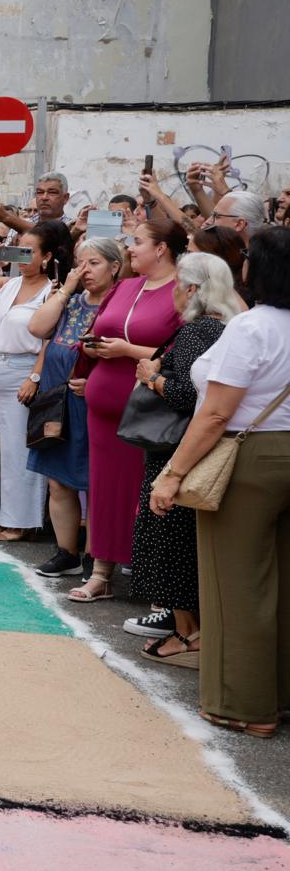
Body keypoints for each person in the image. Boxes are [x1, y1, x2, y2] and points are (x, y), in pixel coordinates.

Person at [149, 226, 290, 739]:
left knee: (236, 587)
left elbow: (214, 414)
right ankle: (276, 693)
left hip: (247, 457)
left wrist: (174, 474)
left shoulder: (252, 328)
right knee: (282, 582)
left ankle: (243, 705)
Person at [126, 253, 238, 667]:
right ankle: (190, 629)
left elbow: (190, 395)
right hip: (194, 445)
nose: (172, 292)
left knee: (168, 537)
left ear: (192, 289)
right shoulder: (227, 328)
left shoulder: (196, 332)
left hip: (176, 448)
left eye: (177, 285)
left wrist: (152, 377)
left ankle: (186, 632)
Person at [74, 215, 185, 603]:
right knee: (103, 489)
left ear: (161, 248)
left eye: (137, 241)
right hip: (103, 406)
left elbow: (182, 351)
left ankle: (155, 583)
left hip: (148, 411)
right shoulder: (125, 286)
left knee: (147, 489)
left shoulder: (182, 290)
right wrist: (92, 347)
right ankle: (101, 572)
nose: (129, 247)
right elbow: (104, 328)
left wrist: (125, 350)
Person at [27, 237, 123, 577]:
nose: (85, 271)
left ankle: (93, 557)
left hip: (92, 403)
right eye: (80, 263)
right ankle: (65, 551)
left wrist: (94, 382)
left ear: (115, 267)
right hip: (56, 399)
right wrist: (65, 290)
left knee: (94, 483)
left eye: (93, 263)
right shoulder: (71, 300)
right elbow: (37, 327)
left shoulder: (118, 303)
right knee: (58, 480)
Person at [0, 221, 66, 540]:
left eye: (29, 252)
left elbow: (49, 338)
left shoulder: (51, 290)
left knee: (19, 449)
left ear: (47, 256)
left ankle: (23, 521)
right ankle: (4, 516)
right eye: (18, 249)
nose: (22, 258)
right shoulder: (5, 284)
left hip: (23, 370)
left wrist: (35, 377)